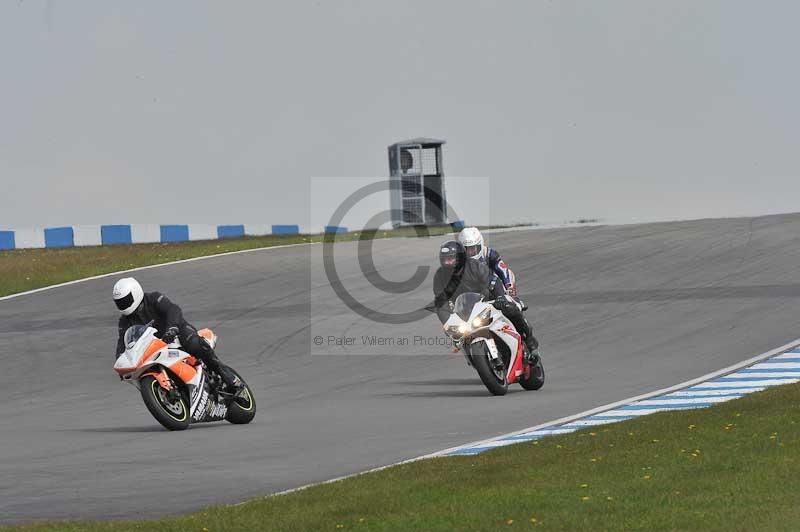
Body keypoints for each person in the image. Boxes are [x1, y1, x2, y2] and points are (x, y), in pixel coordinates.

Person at [112, 277, 240, 391]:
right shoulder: (124, 321)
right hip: (155, 347)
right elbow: (122, 342)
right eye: (120, 302)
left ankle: (224, 373)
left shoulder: (153, 298)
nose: (123, 304)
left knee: (194, 344)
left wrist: (172, 328)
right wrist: (122, 362)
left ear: (135, 292)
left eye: (126, 300)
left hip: (177, 332)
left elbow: (173, 309)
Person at [432, 240, 539, 357]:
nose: (447, 262)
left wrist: (500, 298)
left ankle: (529, 338)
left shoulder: (474, 266)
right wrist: (449, 324)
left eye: (450, 258)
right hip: (465, 311)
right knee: (460, 338)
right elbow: (440, 303)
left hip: (488, 301)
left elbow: (493, 280)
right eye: (444, 259)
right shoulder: (440, 276)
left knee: (510, 307)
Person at [458, 226, 516, 296]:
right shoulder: (456, 259)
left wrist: (508, 285)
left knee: (509, 273)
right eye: (466, 248)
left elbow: (502, 269)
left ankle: (511, 299)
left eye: (473, 248)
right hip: (467, 292)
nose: (470, 252)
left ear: (480, 244)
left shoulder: (489, 254)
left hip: (490, 289)